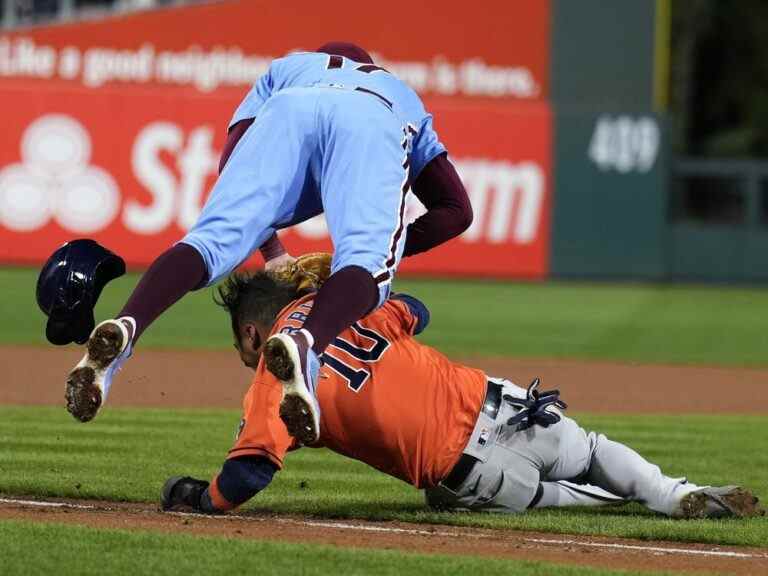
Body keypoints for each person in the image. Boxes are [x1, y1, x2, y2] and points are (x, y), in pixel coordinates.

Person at [64, 41, 473, 438]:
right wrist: (367, 256)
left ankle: (128, 325)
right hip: (372, 118)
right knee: (366, 265)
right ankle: (305, 344)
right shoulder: (399, 91)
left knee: (210, 241)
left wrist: (271, 250)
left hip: (288, 109)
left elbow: (233, 160)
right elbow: (457, 211)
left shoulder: (289, 67)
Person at [160, 270, 763, 519]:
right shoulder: (341, 310)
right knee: (592, 450)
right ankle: (674, 492)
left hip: (470, 471)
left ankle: (624, 503)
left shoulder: (273, 373)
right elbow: (417, 310)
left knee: (562, 497)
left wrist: (197, 497)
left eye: (241, 345)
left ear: (251, 330)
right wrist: (351, 293)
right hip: (503, 405)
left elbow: (246, 477)